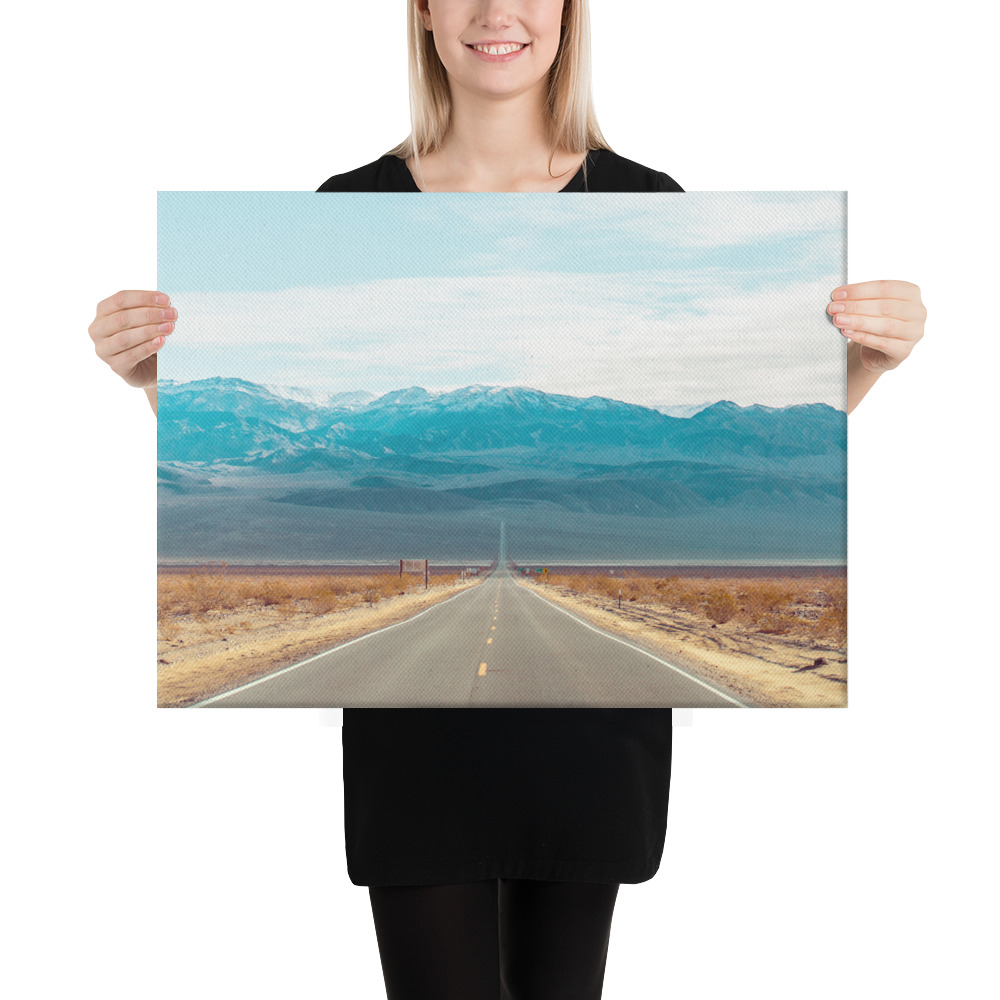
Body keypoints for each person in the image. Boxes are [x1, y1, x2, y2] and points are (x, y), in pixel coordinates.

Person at [88, 2, 926, 997]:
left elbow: (779, 447)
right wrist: (152, 383)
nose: (498, 12)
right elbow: (249, 469)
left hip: (590, 740)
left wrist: (864, 366)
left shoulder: (647, 204)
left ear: (570, 16)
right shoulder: (346, 205)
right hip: (416, 746)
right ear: (425, 14)